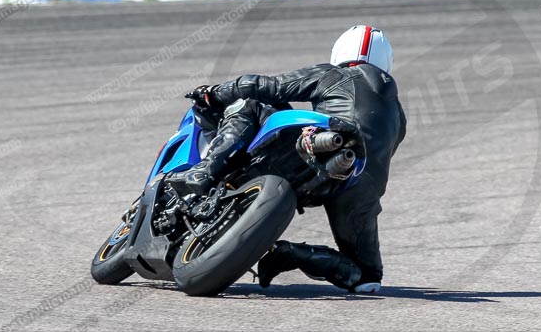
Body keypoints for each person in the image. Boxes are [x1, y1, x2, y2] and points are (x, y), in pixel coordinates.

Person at [166, 25, 406, 293]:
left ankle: (207, 170)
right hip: (357, 188)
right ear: (386, 62)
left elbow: (268, 86)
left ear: (340, 51)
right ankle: (290, 254)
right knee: (367, 276)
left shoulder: (334, 74)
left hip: (311, 154)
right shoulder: (398, 115)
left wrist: (214, 92)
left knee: (251, 101)